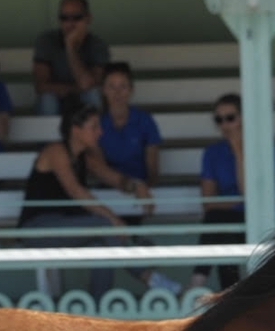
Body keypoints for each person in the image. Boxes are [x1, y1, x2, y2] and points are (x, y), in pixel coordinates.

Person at [18, 103, 177, 299]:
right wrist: (113, 220)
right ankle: (150, 278)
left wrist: (137, 186)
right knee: (105, 226)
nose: (100, 132)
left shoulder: (85, 158)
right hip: (38, 228)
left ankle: (98, 305)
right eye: (94, 127)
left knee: (103, 247)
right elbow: (77, 192)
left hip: (63, 228)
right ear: (76, 130)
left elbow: (115, 179)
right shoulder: (56, 151)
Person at [189, 94, 275, 291]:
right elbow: (208, 202)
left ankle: (197, 283)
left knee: (218, 223)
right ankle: (226, 292)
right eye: (219, 120)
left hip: (260, 219)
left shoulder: (263, 148)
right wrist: (239, 202)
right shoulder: (213, 153)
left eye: (230, 118)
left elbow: (252, 196)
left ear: (244, 118)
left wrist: (238, 151)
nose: (225, 125)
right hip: (226, 220)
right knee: (219, 224)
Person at [98, 62, 163, 224]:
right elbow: (98, 168)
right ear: (104, 90)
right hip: (108, 190)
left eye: (123, 87)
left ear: (131, 90)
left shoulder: (145, 121)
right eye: (111, 87)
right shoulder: (97, 123)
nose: (117, 93)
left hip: (139, 190)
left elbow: (153, 169)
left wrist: (145, 189)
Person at [32, 0, 109, 116]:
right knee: (48, 99)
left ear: (88, 19)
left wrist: (70, 48)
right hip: (56, 100)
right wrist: (74, 90)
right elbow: (41, 86)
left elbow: (89, 85)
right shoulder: (46, 41)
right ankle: (51, 136)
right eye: (64, 18)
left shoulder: (97, 45)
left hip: (83, 101)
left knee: (93, 95)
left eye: (76, 17)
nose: (70, 23)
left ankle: (93, 135)